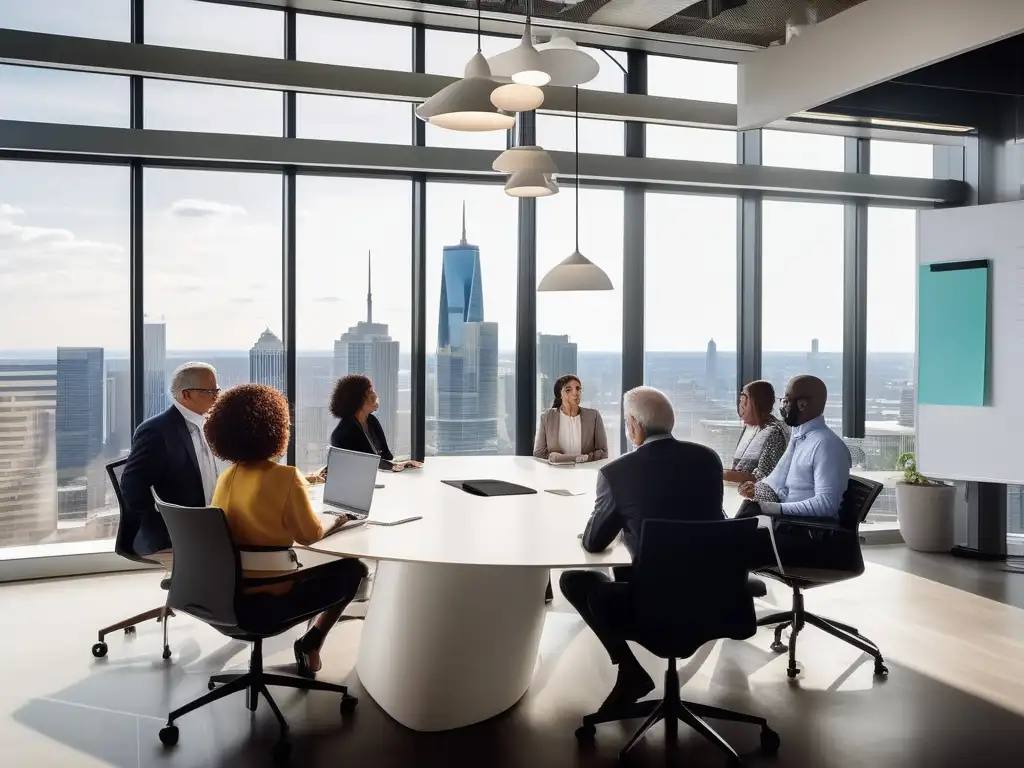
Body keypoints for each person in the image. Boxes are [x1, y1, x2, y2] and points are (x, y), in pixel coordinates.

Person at [559, 386, 725, 711]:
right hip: (717, 596)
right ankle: (633, 673)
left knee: (573, 580)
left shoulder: (617, 472)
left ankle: (630, 669)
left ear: (634, 425)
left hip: (654, 604)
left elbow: (594, 543)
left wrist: (625, 528)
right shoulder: (707, 460)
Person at [204, 383, 368, 679]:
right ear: (275, 428)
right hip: (269, 598)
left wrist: (302, 484)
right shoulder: (284, 477)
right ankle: (311, 643)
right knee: (353, 569)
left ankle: (309, 643)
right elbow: (310, 534)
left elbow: (255, 501)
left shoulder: (228, 476)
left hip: (224, 594)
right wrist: (340, 519)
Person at [119, 362, 220, 564]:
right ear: (186, 395)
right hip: (181, 528)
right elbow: (132, 487)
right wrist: (167, 521)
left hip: (212, 520)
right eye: (208, 391)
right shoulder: (157, 431)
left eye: (216, 390)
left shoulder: (209, 425)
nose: (215, 396)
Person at [736, 375, 852, 519]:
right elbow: (776, 481)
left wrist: (768, 508)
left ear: (802, 404)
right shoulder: (799, 438)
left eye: (786, 400)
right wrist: (755, 491)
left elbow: (826, 505)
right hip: (782, 521)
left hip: (800, 530)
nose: (782, 406)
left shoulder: (826, 445)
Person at [329, 374, 420, 472]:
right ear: (357, 399)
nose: (375, 395)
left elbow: (382, 457)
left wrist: (399, 464)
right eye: (370, 391)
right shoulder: (344, 433)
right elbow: (364, 464)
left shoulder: (371, 421)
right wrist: (393, 466)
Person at [723, 380, 789, 486]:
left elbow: (765, 476)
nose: (741, 406)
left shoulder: (774, 432)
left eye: (744, 401)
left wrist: (721, 474)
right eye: (740, 401)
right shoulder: (751, 427)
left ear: (755, 403)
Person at [533, 375, 608, 463]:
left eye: (578, 388)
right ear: (560, 394)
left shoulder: (593, 416)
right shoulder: (547, 417)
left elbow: (603, 453)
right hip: (556, 473)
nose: (575, 393)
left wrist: (559, 458)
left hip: (586, 473)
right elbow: (539, 453)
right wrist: (584, 458)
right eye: (568, 390)